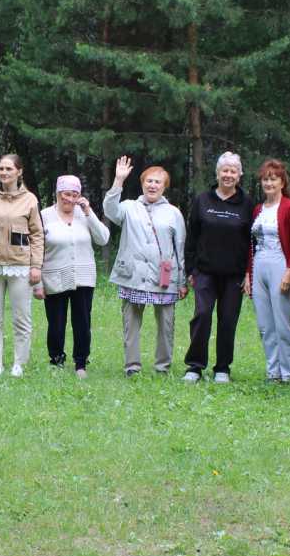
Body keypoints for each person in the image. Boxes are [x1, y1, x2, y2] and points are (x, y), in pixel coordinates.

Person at [103, 156, 188, 375]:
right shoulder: (129, 207)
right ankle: (132, 366)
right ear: (142, 184)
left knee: (166, 324)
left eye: (157, 182)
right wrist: (118, 181)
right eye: (149, 181)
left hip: (164, 277)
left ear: (164, 186)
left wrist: (181, 281)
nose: (152, 185)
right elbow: (110, 211)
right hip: (133, 275)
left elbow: (180, 248)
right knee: (130, 323)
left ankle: (162, 367)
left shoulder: (173, 213)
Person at [0, 154, 45, 378]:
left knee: (21, 318)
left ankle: (18, 364)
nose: (4, 172)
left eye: (9, 169)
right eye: (1, 169)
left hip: (20, 266)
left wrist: (36, 266)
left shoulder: (30, 200)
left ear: (19, 172)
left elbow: (37, 235)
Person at [183, 152, 253, 384]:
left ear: (239, 175)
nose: (228, 175)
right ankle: (195, 366)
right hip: (204, 272)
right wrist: (190, 270)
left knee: (228, 319)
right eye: (225, 170)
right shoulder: (203, 200)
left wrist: (248, 272)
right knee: (202, 316)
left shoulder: (247, 203)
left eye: (233, 171)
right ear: (217, 173)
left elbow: (252, 242)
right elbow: (192, 236)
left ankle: (222, 368)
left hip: (234, 274)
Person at [40, 175, 110, 377]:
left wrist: (89, 212)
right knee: (56, 323)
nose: (69, 199)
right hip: (54, 276)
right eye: (65, 194)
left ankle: (81, 363)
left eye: (74, 194)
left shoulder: (84, 214)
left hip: (83, 277)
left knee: (82, 323)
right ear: (57, 194)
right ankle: (56, 361)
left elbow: (103, 239)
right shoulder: (45, 215)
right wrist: (37, 280)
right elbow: (36, 247)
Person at [248, 159, 290, 384]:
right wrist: (249, 274)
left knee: (283, 322)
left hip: (280, 264)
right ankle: (273, 371)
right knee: (265, 324)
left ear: (282, 182)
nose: (269, 183)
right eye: (265, 179)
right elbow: (251, 245)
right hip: (259, 265)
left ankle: (289, 373)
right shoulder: (258, 209)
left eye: (273, 179)